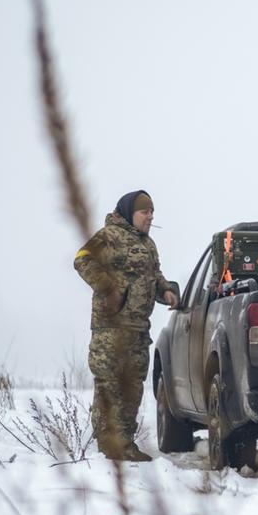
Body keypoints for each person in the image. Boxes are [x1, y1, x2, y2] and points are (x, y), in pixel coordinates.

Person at [74, 190, 179, 460]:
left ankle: (125, 444)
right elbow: (82, 259)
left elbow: (154, 275)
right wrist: (111, 288)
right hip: (111, 328)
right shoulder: (109, 236)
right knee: (110, 386)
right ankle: (108, 448)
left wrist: (166, 291)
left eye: (152, 212)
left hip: (137, 330)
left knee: (132, 387)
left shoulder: (148, 244)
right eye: (145, 212)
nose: (150, 216)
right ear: (131, 213)